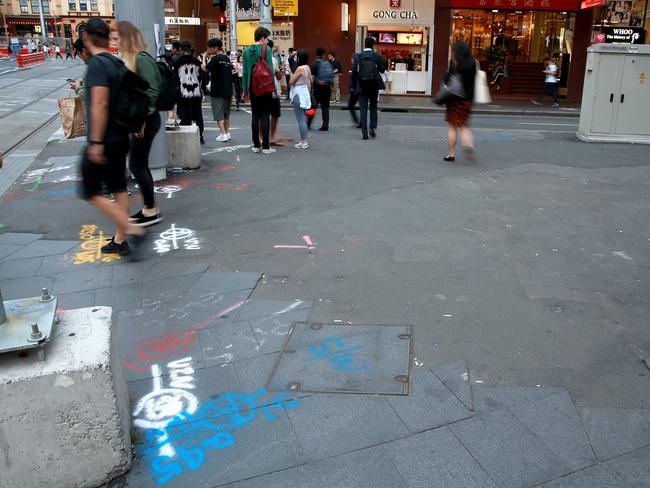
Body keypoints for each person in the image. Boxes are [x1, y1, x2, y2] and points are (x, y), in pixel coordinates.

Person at [80, 18, 144, 256]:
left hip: (104, 139)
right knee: (118, 188)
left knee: (90, 190)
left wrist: (95, 142)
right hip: (120, 137)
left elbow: (100, 102)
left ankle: (131, 228)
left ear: (86, 38)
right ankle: (120, 239)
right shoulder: (116, 62)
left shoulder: (97, 64)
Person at [112, 21, 163, 227]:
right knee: (138, 164)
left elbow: (151, 92)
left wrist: (139, 121)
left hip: (145, 120)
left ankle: (150, 209)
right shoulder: (130, 59)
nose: (113, 42)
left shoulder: (141, 59)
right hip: (141, 119)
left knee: (136, 164)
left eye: (116, 39)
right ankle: (149, 208)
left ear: (126, 38)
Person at [242, 26, 275, 154]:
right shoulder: (266, 49)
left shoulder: (245, 51)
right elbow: (270, 70)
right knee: (265, 115)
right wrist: (272, 85)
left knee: (255, 115)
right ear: (262, 38)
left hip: (252, 87)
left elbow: (245, 72)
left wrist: (245, 90)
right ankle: (266, 146)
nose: (267, 41)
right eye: (267, 38)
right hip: (265, 87)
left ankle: (256, 145)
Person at [443, 41, 476, 162]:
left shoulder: (453, 63)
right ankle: (468, 144)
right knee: (463, 125)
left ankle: (451, 154)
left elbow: (447, 80)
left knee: (452, 127)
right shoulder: (473, 63)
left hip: (454, 99)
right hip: (467, 99)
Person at [351, 36, 385, 140]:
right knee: (373, 106)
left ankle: (364, 133)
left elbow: (354, 73)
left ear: (364, 44)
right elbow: (382, 70)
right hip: (374, 86)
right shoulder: (376, 56)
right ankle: (372, 126)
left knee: (363, 108)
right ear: (373, 45)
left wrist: (353, 86)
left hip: (361, 86)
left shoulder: (358, 56)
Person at [173, 41, 205, 144]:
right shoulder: (197, 62)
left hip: (183, 92)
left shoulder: (177, 62)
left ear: (181, 49)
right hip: (195, 92)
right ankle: (199, 136)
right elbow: (201, 77)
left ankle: (186, 136)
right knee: (198, 115)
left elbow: (175, 78)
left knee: (184, 115)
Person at [206, 37, 233, 142]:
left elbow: (206, 68)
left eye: (210, 48)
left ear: (215, 47)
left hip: (217, 90)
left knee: (218, 113)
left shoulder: (215, 59)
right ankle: (227, 132)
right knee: (226, 113)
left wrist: (204, 58)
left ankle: (222, 134)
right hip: (228, 89)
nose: (209, 50)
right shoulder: (226, 58)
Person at [288, 49, 311, 149]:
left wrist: (290, 73)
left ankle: (304, 141)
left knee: (301, 119)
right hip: (305, 92)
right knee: (303, 118)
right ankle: (303, 141)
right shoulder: (307, 67)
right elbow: (309, 82)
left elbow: (291, 82)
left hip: (298, 93)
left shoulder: (300, 68)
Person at [309, 47, 333, 131]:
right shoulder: (327, 63)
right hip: (327, 89)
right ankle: (325, 125)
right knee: (325, 108)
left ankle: (308, 123)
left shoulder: (314, 64)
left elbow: (312, 78)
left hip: (317, 89)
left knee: (313, 107)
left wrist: (312, 86)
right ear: (323, 54)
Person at [267, 39, 283, 145]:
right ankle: (270, 137)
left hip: (269, 91)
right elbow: (278, 75)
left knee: (267, 115)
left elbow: (278, 75)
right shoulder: (273, 60)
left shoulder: (273, 60)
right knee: (274, 114)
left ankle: (265, 137)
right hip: (271, 91)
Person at [347, 57, 360, 127]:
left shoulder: (354, 67)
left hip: (355, 90)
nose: (351, 60)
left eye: (352, 58)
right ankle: (358, 121)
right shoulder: (359, 67)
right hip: (358, 90)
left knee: (350, 105)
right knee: (352, 105)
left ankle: (357, 121)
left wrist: (352, 88)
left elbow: (353, 80)